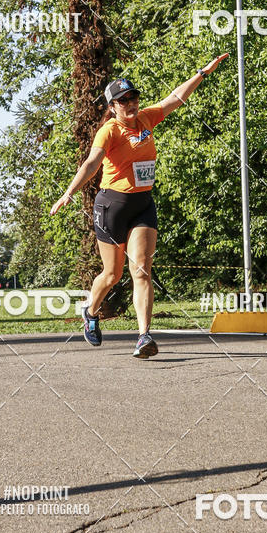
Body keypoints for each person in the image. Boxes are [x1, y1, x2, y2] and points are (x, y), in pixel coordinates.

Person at [50, 55, 228, 358]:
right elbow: (92, 162)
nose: (131, 103)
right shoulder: (109, 131)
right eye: (123, 100)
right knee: (112, 274)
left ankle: (144, 337)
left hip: (143, 204)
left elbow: (175, 98)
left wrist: (202, 72)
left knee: (142, 270)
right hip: (112, 206)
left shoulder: (146, 118)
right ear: (112, 107)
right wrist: (69, 192)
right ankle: (91, 312)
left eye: (133, 97)